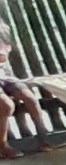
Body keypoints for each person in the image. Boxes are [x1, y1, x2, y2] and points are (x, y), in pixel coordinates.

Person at [0, 24, 52, 158]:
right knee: (6, 105)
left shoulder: (3, 29)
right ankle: (3, 146)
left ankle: (43, 138)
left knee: (30, 98)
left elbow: (5, 54)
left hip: (5, 75)